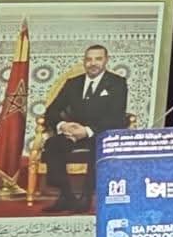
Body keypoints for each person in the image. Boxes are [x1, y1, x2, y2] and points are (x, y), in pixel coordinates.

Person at [40, 44, 128, 211]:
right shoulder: (73, 83)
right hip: (73, 133)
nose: (93, 63)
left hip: (100, 134)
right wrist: (63, 125)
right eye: (89, 59)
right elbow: (52, 111)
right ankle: (66, 196)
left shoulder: (117, 83)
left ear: (106, 60)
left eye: (98, 59)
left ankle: (86, 197)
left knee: (97, 148)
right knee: (52, 144)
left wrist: (87, 131)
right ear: (84, 61)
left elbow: (116, 117)